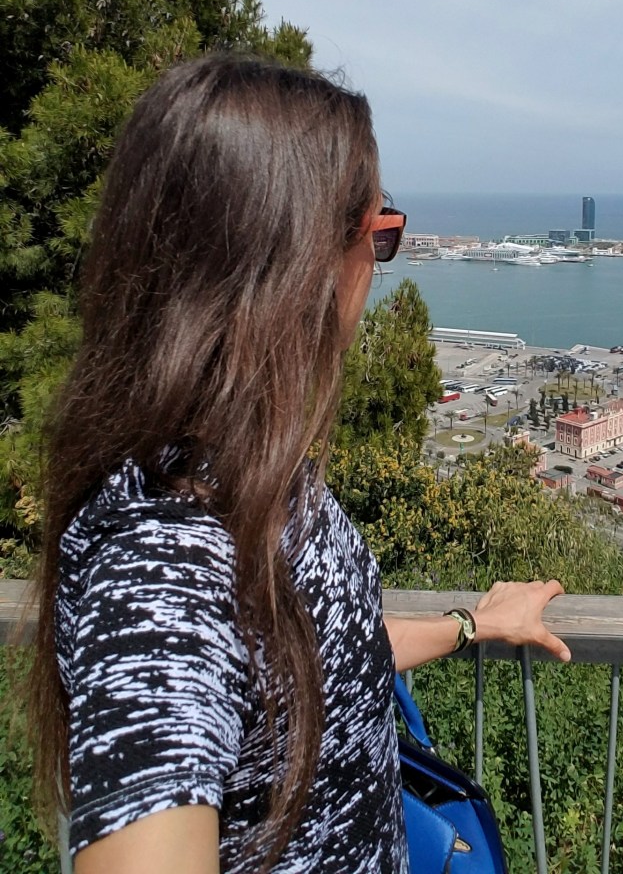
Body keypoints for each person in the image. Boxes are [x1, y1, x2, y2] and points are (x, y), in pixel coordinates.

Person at [29, 54, 570, 874]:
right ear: (296, 262)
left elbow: (308, 657)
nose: (379, 272)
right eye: (380, 237)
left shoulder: (235, 466)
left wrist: (470, 626)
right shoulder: (168, 551)